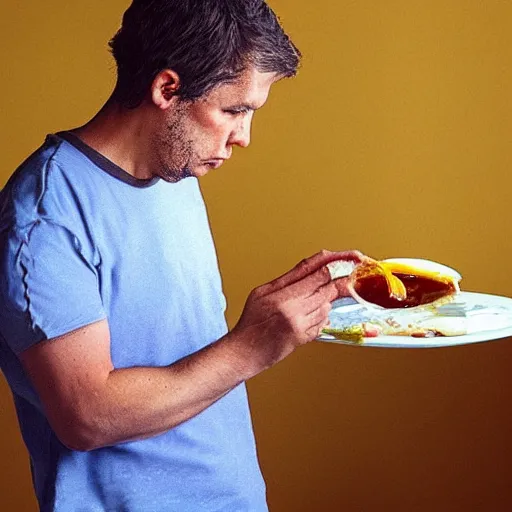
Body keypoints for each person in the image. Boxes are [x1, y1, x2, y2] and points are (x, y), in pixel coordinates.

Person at [0, 1, 364, 510]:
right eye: (234, 110)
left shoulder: (175, 173)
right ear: (167, 89)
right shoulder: (46, 215)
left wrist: (287, 310)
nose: (244, 137)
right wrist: (253, 345)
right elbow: (87, 416)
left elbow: (184, 349)